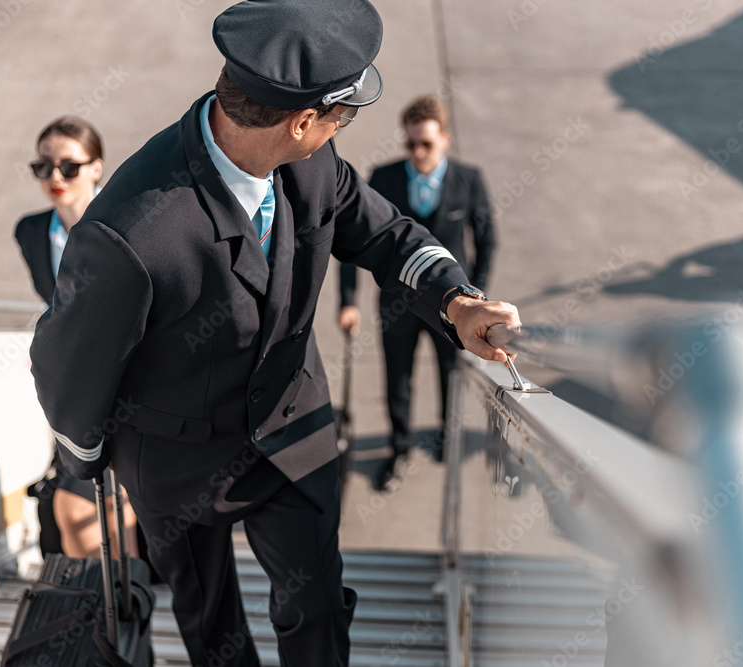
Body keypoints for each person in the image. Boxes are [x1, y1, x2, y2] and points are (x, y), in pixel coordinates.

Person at [28, 1, 520, 665]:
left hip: (292, 430)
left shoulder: (309, 161)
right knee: (211, 625)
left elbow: (382, 231)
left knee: (315, 608)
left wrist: (457, 301)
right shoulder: (132, 233)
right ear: (302, 121)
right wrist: (87, 463)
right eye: (342, 116)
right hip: (175, 461)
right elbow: (66, 363)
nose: (342, 128)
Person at [338, 95, 495, 488]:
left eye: (426, 144)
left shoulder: (469, 179)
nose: (418, 152)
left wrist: (475, 298)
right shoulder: (384, 178)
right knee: (398, 378)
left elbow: (487, 240)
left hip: (452, 309)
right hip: (397, 304)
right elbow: (353, 241)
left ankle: (447, 437)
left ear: (444, 138)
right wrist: (348, 302)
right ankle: (399, 450)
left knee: (449, 374)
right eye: (411, 144)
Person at [15, 116, 139, 560]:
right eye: (43, 166)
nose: (54, 177)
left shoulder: (130, 220)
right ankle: (109, 621)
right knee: (80, 506)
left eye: (68, 167)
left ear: (97, 168)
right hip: (77, 395)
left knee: (108, 504)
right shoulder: (30, 233)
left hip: (134, 387)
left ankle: (124, 619)